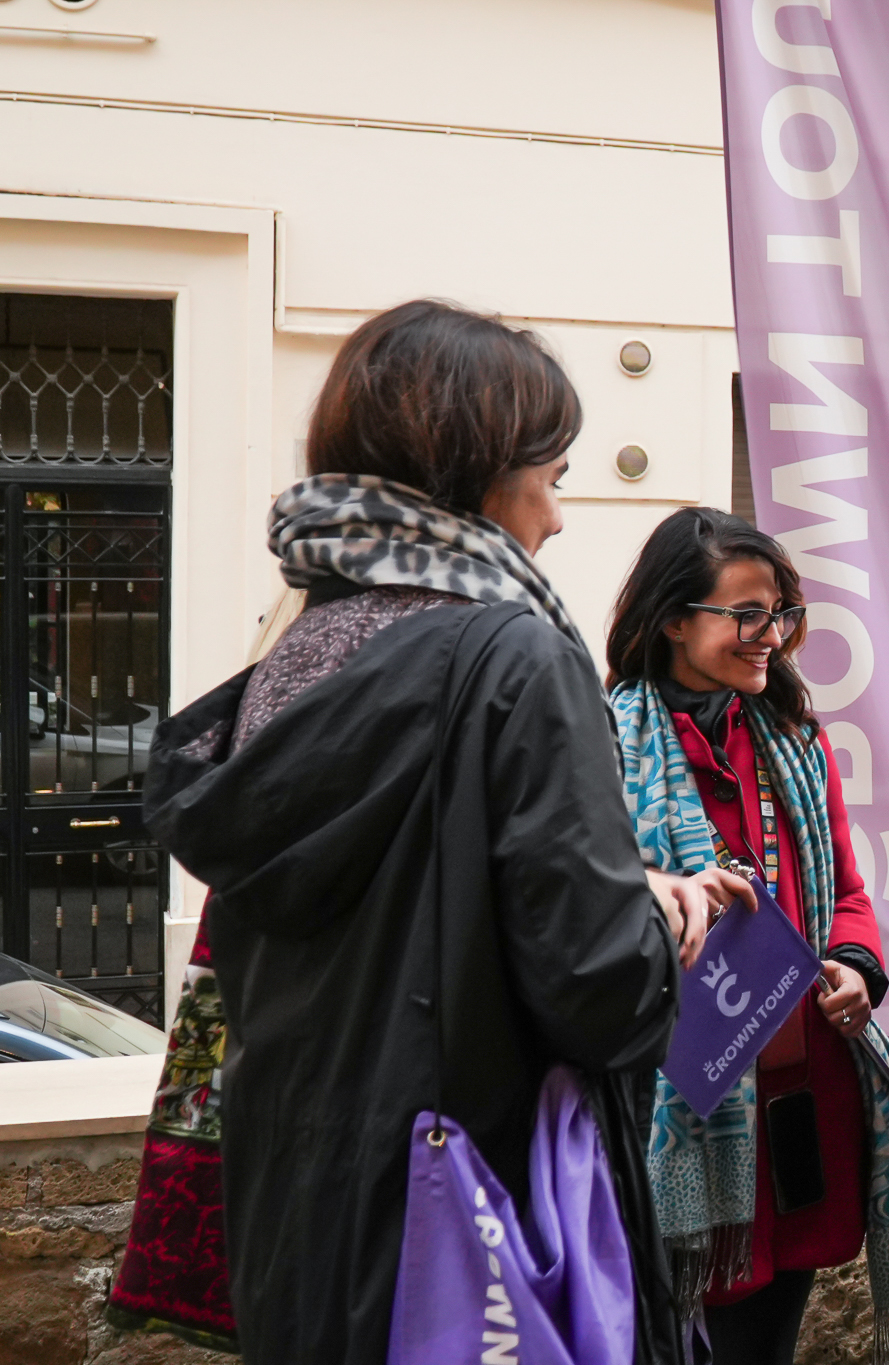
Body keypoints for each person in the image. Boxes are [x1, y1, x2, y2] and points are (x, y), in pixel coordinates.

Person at [137, 299, 722, 1365]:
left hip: (299, 1225)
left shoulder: (297, 650)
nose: (558, 518)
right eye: (552, 478)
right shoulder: (514, 659)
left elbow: (390, 908)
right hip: (473, 1245)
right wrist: (661, 920)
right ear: (482, 472)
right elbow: (601, 990)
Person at [606, 507, 889, 1365]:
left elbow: (848, 893)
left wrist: (855, 965)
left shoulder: (795, 740)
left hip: (800, 1108)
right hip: (671, 1108)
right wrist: (665, 907)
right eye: (747, 614)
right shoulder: (602, 745)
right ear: (673, 619)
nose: (773, 636)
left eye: (781, 612)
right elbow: (574, 915)